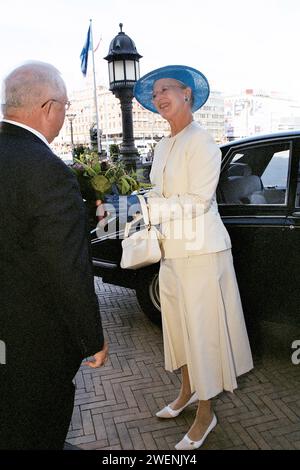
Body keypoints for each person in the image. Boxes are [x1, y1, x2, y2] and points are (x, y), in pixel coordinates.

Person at [132, 65, 254, 450]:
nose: (159, 98)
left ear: (187, 94)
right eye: (154, 94)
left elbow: (199, 201)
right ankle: (185, 393)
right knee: (179, 329)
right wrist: (144, 201)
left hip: (202, 253)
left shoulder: (203, 142)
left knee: (203, 334)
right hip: (171, 252)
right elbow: (159, 191)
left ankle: (206, 413)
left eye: (166, 89)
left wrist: (152, 209)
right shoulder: (163, 145)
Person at [0, 61, 108, 450]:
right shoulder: (47, 170)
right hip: (34, 344)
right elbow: (67, 269)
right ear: (48, 107)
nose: (66, 113)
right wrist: (92, 339)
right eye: (65, 105)